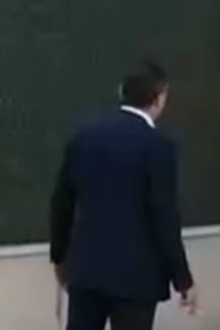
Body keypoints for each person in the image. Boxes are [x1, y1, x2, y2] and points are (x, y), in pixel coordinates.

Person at [50, 60, 197, 330]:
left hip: (86, 270)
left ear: (122, 92)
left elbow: (62, 202)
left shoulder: (84, 136)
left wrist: (60, 255)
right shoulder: (159, 147)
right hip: (137, 277)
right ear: (159, 97)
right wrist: (183, 279)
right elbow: (164, 216)